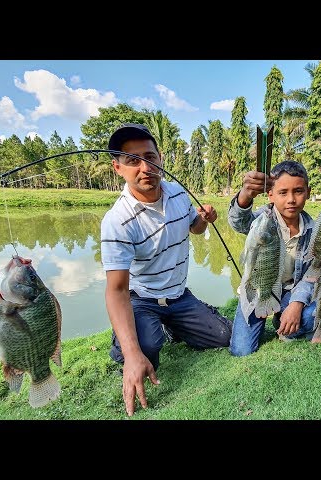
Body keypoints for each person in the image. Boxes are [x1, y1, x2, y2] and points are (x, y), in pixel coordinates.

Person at [101, 123, 232, 416]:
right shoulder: (117, 221)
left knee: (225, 337)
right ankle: (123, 345)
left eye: (149, 157)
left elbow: (194, 229)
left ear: (160, 157)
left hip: (178, 296)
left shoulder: (177, 193)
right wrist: (133, 355)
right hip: (142, 299)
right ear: (117, 168)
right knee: (145, 352)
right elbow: (117, 289)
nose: (144, 167)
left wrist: (204, 220)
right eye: (132, 161)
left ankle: (173, 326)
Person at [228, 160, 317, 356]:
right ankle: (267, 317)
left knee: (312, 316)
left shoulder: (315, 231)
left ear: (308, 192)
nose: (291, 199)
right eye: (283, 192)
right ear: (270, 194)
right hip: (258, 288)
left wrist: (296, 304)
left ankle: (282, 318)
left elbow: (313, 273)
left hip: (291, 291)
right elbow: (239, 222)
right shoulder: (262, 220)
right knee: (241, 351)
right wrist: (245, 196)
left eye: (298, 191)